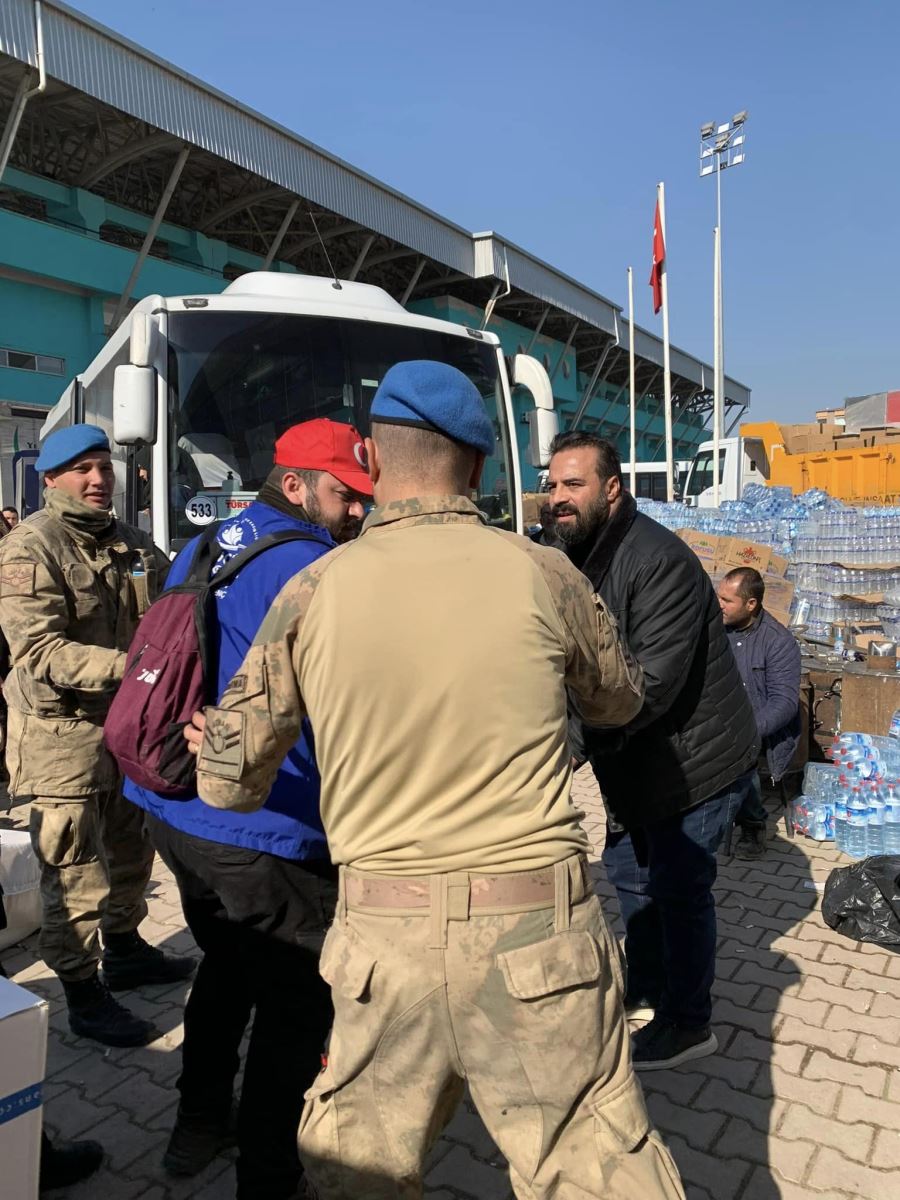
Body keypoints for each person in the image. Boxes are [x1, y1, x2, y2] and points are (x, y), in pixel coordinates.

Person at [188, 360, 685, 1200]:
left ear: (373, 461)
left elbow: (227, 784)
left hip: (382, 945)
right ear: (480, 467)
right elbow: (618, 701)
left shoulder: (312, 589)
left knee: (360, 1174)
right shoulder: (545, 572)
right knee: (595, 1170)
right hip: (538, 936)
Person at [124, 419, 372, 1200]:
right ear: (293, 485)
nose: (357, 511)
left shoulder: (209, 542)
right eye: (344, 494)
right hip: (265, 829)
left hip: (176, 809)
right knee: (296, 1006)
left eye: (364, 497)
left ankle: (197, 1126)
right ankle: (269, 1176)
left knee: (228, 969)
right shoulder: (316, 570)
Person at [547, 431, 759, 1072]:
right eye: (552, 484)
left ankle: (688, 1023)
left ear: (612, 489)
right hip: (635, 759)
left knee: (678, 890)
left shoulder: (658, 562)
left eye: (573, 484)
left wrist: (569, 749)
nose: (557, 497)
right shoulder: (574, 555)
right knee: (629, 875)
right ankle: (646, 990)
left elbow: (650, 685)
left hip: (693, 762)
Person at [0, 424, 195, 1049]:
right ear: (51, 478)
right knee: (75, 869)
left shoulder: (131, 543)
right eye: (82, 469)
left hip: (125, 728)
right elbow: (39, 651)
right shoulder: (31, 547)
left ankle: (127, 951)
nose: (98, 479)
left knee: (133, 849)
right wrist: (139, 669)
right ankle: (82, 994)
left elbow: (178, 599)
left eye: (104, 467)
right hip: (62, 738)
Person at [718, 567, 802, 859]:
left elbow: (784, 703)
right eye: (718, 597)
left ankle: (752, 825)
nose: (719, 605)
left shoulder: (778, 642)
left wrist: (747, 729)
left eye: (727, 600)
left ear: (751, 604)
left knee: (741, 756)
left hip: (761, 728)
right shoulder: (715, 629)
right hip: (720, 719)